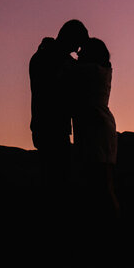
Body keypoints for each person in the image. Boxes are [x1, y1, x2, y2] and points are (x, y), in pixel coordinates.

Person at [29, 19, 89, 195]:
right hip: (51, 126)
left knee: (53, 179)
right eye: (76, 46)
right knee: (57, 181)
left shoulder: (45, 55)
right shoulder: (54, 59)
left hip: (47, 126)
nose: (76, 52)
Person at [71, 36, 119, 220]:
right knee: (103, 183)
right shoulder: (100, 70)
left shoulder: (91, 71)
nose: (78, 54)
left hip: (96, 130)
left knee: (102, 184)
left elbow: (68, 68)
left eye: (81, 52)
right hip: (98, 128)